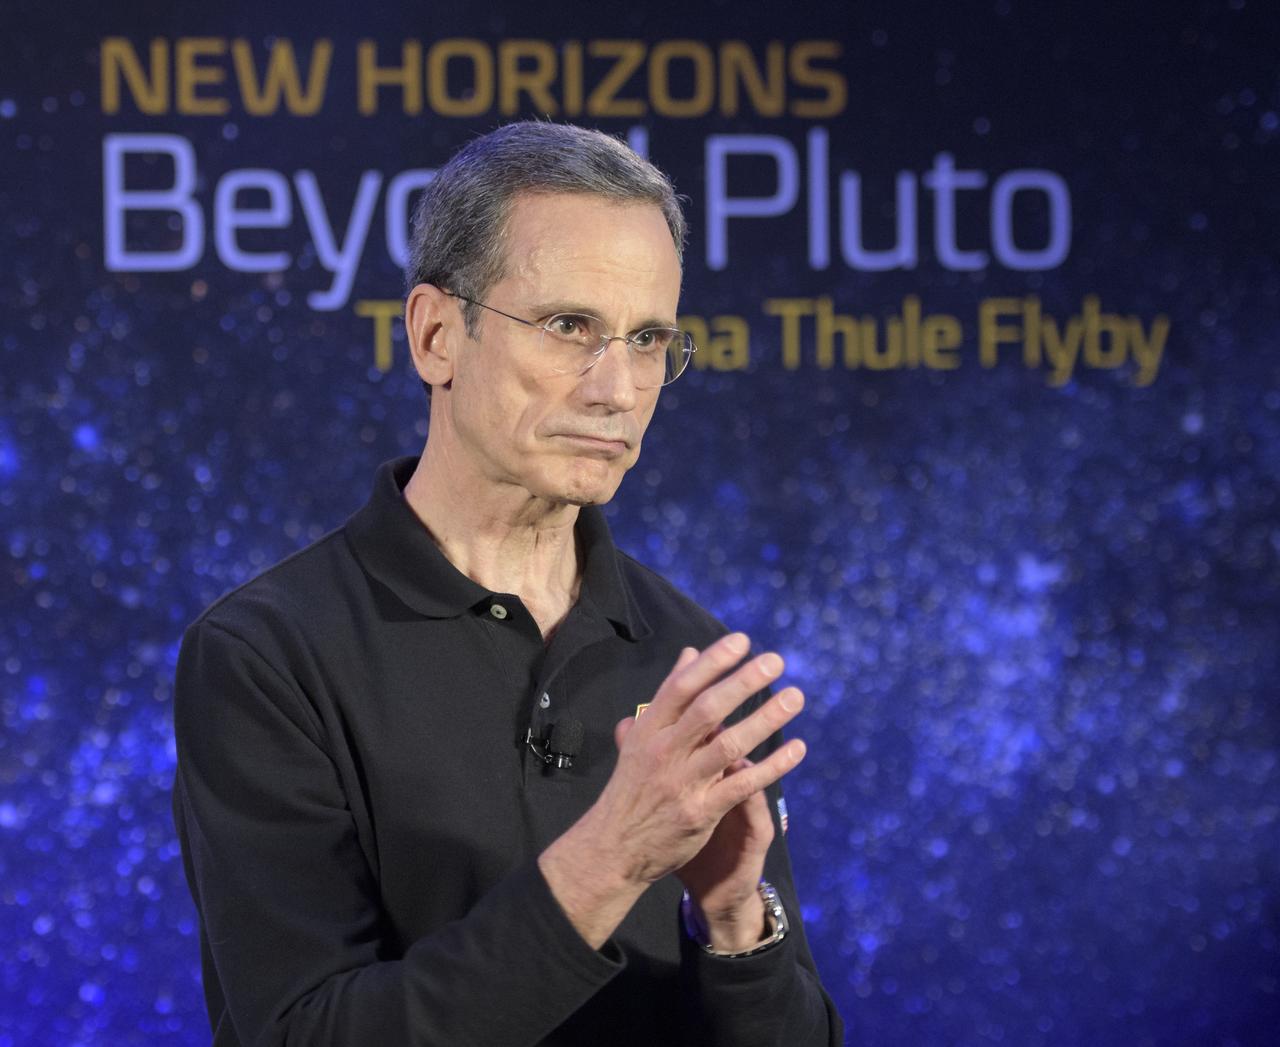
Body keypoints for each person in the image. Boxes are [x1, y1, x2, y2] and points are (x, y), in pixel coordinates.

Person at [172, 121, 843, 1046]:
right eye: (571, 326)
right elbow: (301, 1032)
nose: (616, 388)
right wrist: (610, 858)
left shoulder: (692, 660)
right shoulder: (268, 657)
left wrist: (733, 923)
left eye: (648, 339)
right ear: (438, 334)